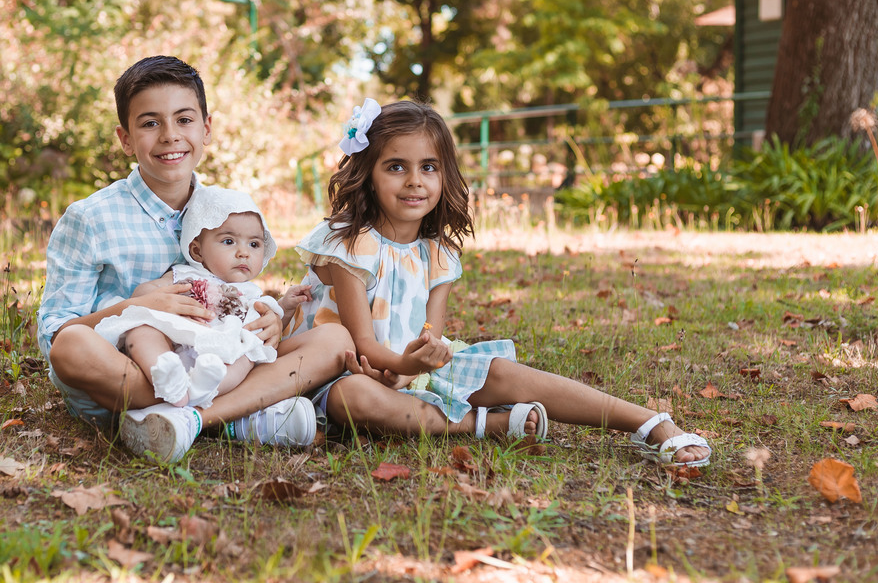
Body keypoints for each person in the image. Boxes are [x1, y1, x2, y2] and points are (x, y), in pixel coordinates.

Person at [284, 98, 712, 468]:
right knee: (356, 398)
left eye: (428, 167)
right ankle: (484, 424)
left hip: (409, 373)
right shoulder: (348, 243)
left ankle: (648, 421)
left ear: (445, 175)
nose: (414, 180)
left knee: (503, 372)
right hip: (344, 371)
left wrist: (422, 362)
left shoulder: (438, 253)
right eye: (396, 166)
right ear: (368, 173)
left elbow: (430, 334)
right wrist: (403, 367)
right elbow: (362, 343)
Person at [37, 55, 352, 464]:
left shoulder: (228, 210)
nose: (170, 135)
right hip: (130, 374)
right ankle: (227, 414)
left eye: (184, 120)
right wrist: (139, 306)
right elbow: (54, 335)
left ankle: (193, 419)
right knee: (71, 346)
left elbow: (241, 289)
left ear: (206, 129)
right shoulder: (91, 218)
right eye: (150, 123)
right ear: (126, 139)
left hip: (221, 358)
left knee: (334, 339)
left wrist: (272, 320)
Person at [94, 186, 311, 409]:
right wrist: (151, 297)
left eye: (254, 244)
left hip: (221, 353)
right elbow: (145, 294)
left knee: (248, 354)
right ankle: (165, 373)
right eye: (229, 241)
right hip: (176, 340)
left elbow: (266, 328)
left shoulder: (251, 293)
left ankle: (202, 391)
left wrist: (285, 307)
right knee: (141, 330)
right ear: (197, 251)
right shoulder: (184, 275)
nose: (244, 253)